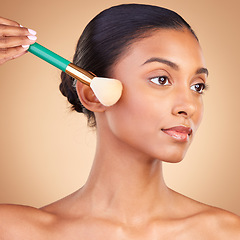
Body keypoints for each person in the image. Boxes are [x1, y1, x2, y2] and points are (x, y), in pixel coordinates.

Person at [0, 4, 240, 239]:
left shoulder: (227, 233)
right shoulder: (13, 230)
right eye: (161, 79)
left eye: (197, 86)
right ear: (93, 94)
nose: (188, 106)